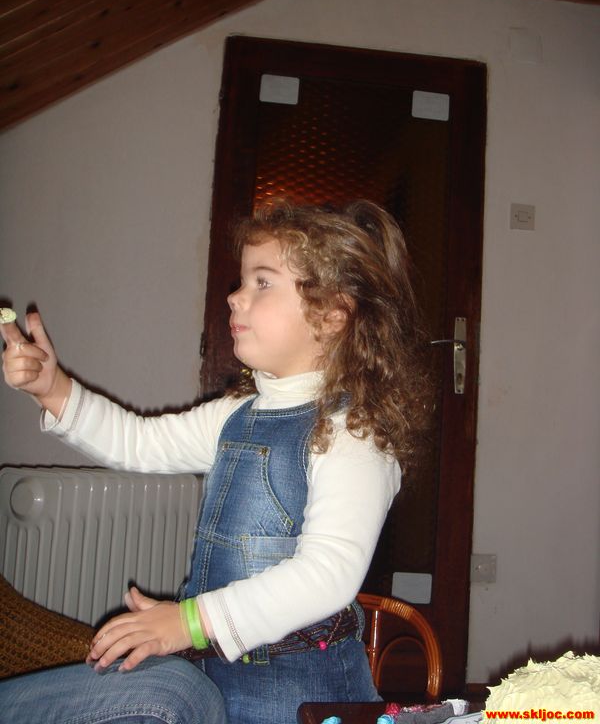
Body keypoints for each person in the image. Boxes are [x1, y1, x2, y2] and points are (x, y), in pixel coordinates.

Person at [0, 200, 431, 724]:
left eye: (262, 282)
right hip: (213, 674)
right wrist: (53, 389)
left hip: (299, 694)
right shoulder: (235, 415)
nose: (235, 295)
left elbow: (327, 575)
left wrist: (188, 622)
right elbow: (139, 441)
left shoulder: (353, 433)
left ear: (332, 315)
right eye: (242, 280)